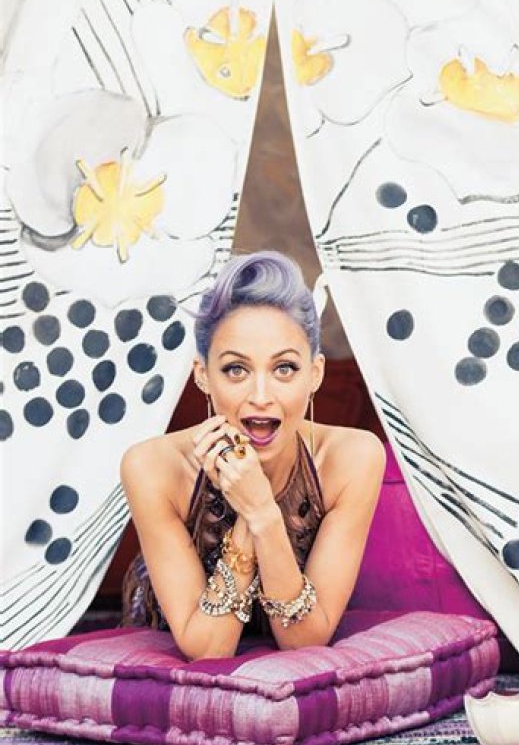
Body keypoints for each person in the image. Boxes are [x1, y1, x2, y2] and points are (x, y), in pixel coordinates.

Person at [119, 250, 386, 661]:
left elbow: (304, 642)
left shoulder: (353, 458)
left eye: (284, 369)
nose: (261, 396)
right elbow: (209, 648)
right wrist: (249, 514)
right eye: (236, 370)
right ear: (203, 375)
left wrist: (262, 511)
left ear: (314, 374)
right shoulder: (152, 468)